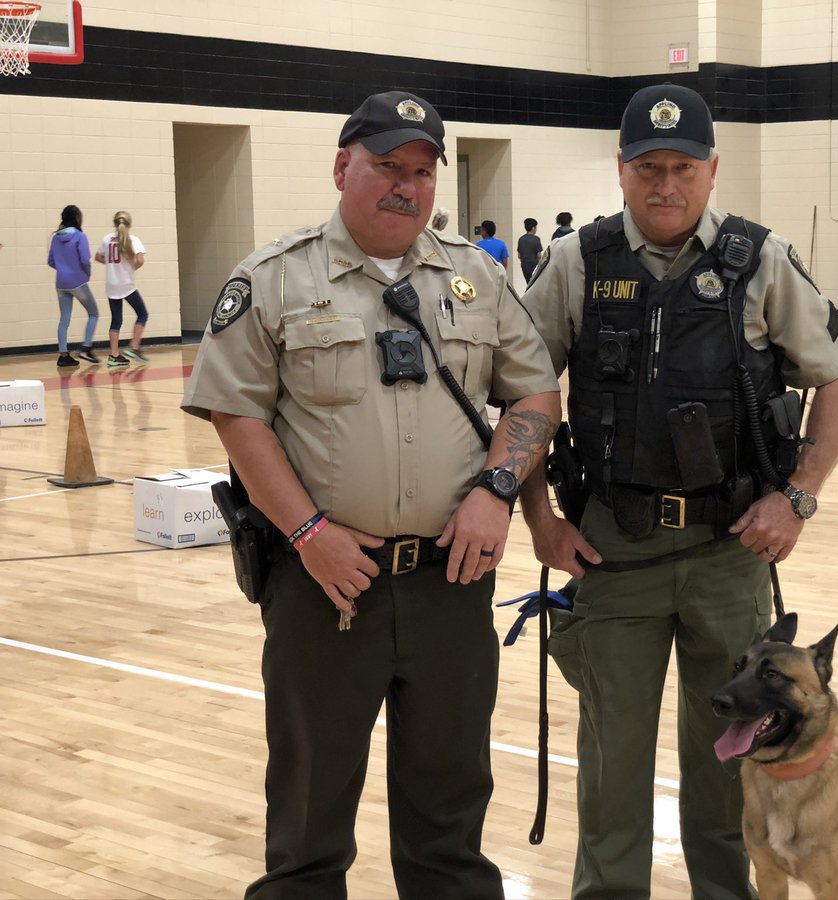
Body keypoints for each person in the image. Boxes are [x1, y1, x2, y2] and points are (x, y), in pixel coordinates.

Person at [181, 89, 561, 899]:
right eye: (389, 167)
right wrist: (309, 532)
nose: (408, 187)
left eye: (424, 172)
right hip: (325, 587)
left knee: (451, 819)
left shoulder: (475, 280)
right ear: (342, 168)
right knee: (309, 822)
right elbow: (235, 414)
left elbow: (534, 396)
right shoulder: (274, 279)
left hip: (450, 586)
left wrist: (497, 490)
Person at [519, 83, 838, 900]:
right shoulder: (577, 261)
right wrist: (537, 518)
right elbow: (523, 393)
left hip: (728, 550)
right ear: (622, 171)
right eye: (648, 167)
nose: (664, 185)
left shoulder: (761, 260)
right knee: (611, 765)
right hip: (614, 548)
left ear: (711, 172)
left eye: (681, 167)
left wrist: (798, 497)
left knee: (730, 764)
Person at [94, 210, 150, 368]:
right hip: (126, 284)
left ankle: (114, 355)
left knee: (116, 320)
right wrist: (130, 267)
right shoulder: (133, 240)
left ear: (114, 223)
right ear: (129, 224)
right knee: (142, 314)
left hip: (111, 284)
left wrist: (112, 265)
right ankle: (134, 347)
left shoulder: (107, 239)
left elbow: (98, 257)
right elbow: (140, 260)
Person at [47, 205, 100, 367]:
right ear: (77, 218)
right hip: (78, 281)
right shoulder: (79, 236)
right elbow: (85, 260)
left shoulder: (56, 237)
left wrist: (63, 270)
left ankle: (63, 355)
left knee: (64, 319)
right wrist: (86, 273)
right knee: (93, 313)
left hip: (61, 283)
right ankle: (86, 347)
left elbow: (51, 261)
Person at [516, 217, 542, 285]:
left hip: (524, 265)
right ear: (533, 228)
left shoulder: (521, 239)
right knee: (535, 284)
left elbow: (519, 256)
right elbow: (539, 255)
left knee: (528, 283)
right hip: (534, 265)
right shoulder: (536, 239)